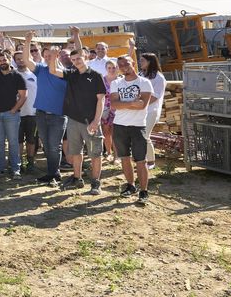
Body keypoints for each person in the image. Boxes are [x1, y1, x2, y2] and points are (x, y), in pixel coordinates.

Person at [50, 45, 107, 194]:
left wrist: (96, 120)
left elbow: (101, 100)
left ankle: (95, 183)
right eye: (73, 59)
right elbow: (53, 71)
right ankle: (77, 178)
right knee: (75, 152)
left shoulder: (95, 75)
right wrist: (54, 56)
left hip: (90, 121)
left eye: (78, 58)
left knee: (95, 153)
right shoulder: (72, 73)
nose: (76, 61)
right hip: (73, 120)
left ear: (86, 57)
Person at [20, 35, 67, 187]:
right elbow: (27, 60)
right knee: (47, 146)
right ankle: (52, 173)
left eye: (51, 55)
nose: (48, 58)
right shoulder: (40, 69)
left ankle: (54, 173)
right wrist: (27, 42)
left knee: (54, 146)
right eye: (46, 56)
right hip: (40, 114)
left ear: (57, 55)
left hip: (57, 116)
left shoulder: (65, 73)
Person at [109, 51, 154, 205]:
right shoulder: (115, 83)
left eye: (126, 63)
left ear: (133, 63)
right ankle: (130, 185)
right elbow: (114, 105)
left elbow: (142, 106)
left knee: (141, 160)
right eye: (120, 65)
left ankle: (144, 191)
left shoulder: (144, 82)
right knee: (125, 158)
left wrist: (124, 104)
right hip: (120, 125)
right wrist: (130, 103)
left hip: (138, 126)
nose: (123, 67)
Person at [0, 51, 27, 180]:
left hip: (11, 114)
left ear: (9, 60)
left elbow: (24, 96)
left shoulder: (17, 76)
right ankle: (0, 168)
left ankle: (15, 169)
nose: (2, 62)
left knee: (13, 142)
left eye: (4, 59)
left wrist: (14, 109)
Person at [138, 51, 166, 169]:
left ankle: (151, 162)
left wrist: (139, 103)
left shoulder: (159, 78)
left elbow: (155, 97)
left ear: (150, 62)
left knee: (145, 135)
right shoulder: (141, 74)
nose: (140, 62)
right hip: (140, 110)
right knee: (140, 136)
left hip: (151, 111)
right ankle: (143, 159)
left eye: (142, 60)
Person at [15, 50, 39, 173]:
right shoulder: (12, 75)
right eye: (18, 59)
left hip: (32, 113)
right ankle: (19, 163)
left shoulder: (35, 74)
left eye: (22, 58)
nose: (20, 60)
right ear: (14, 61)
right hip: (17, 113)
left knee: (31, 139)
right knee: (18, 140)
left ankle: (30, 162)